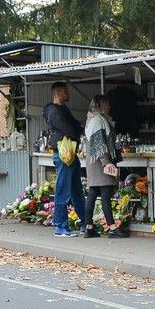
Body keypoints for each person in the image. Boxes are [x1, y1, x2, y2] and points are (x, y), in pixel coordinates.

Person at [43, 81, 86, 237]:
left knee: (76, 190)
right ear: (58, 93)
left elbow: (74, 125)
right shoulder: (54, 111)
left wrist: (81, 127)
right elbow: (69, 129)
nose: (68, 94)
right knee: (63, 190)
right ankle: (60, 225)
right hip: (63, 154)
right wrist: (78, 132)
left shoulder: (63, 109)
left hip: (69, 153)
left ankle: (85, 223)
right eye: (66, 91)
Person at [82, 95, 128, 239]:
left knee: (93, 193)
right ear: (101, 106)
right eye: (107, 104)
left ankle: (89, 227)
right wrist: (107, 162)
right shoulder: (98, 121)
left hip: (94, 162)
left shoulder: (93, 119)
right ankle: (112, 228)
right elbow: (100, 144)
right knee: (105, 195)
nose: (109, 106)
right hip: (101, 163)